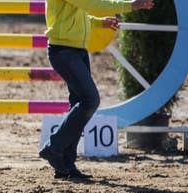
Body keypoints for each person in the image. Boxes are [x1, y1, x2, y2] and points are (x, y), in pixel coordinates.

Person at [40, 0, 154, 179]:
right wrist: (130, 5)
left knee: (79, 103)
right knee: (90, 100)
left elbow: (80, 13)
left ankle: (65, 164)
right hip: (64, 51)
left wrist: (99, 22)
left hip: (76, 50)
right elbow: (93, 5)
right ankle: (54, 147)